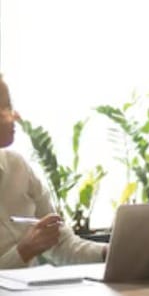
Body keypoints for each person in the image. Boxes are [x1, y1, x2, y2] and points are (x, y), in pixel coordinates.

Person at [0, 75, 107, 268]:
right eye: (5, 107)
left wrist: (109, 252)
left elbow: (63, 245)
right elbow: (27, 250)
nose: (15, 115)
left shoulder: (18, 167)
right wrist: (23, 251)